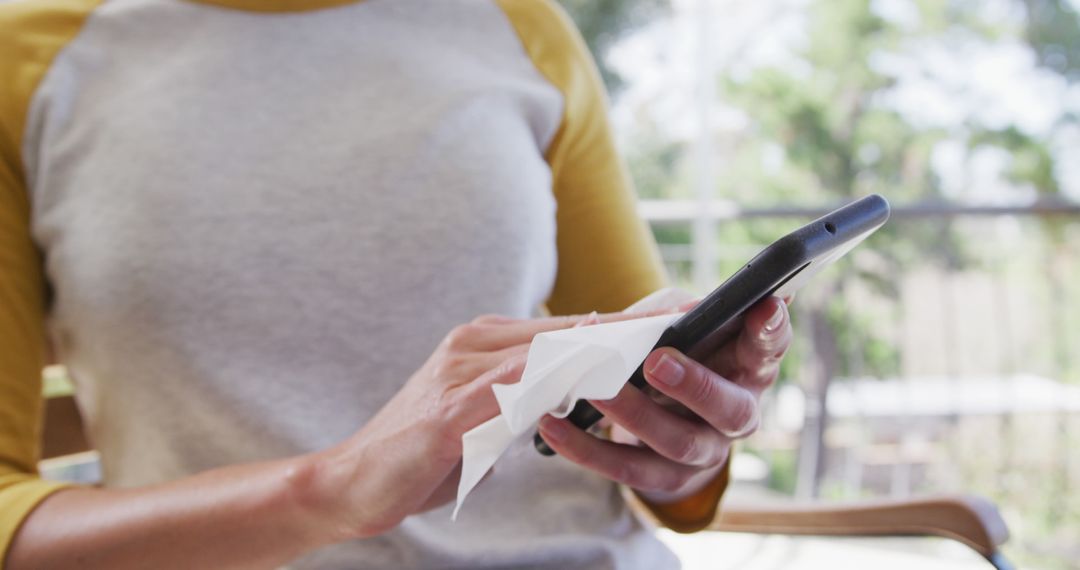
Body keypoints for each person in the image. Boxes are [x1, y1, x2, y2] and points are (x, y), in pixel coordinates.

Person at [0, 0, 793, 568]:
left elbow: (646, 403)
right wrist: (329, 489)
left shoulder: (518, 26)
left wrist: (680, 442)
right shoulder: (30, 59)